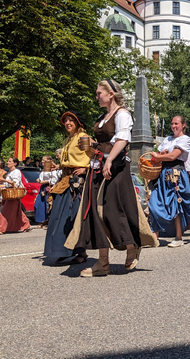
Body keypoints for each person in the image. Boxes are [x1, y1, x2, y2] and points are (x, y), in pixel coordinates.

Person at [65, 80, 157, 276]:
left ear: (111, 94)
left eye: (99, 93)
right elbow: (103, 143)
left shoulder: (122, 115)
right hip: (97, 167)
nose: (96, 96)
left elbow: (123, 140)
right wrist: (91, 146)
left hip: (115, 168)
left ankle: (132, 246)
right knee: (95, 214)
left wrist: (108, 161)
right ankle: (103, 262)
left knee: (113, 212)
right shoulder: (103, 116)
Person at [43, 111, 91, 264]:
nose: (68, 123)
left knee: (73, 217)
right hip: (64, 181)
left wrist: (85, 168)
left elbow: (96, 155)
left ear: (78, 123)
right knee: (58, 217)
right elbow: (68, 161)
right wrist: (58, 166)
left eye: (71, 120)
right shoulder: (66, 140)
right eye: (66, 121)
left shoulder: (84, 138)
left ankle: (79, 252)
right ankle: (63, 250)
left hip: (77, 183)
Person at [147, 115, 190, 247]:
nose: (174, 126)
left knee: (176, 204)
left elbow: (174, 155)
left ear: (183, 125)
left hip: (176, 173)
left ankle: (179, 237)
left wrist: (160, 156)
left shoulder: (185, 139)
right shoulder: (167, 139)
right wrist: (161, 156)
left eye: (177, 124)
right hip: (163, 174)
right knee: (154, 202)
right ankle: (154, 237)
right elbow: (160, 155)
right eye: (172, 124)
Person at [0, 157, 31, 235]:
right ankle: (25, 225)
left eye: (10, 161)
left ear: (15, 163)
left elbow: (15, 183)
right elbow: (8, 185)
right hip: (9, 194)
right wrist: (0, 186)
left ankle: (0, 228)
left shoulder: (16, 172)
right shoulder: (11, 172)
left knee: (6, 211)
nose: (7, 162)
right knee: (17, 211)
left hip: (13, 194)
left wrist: (4, 180)